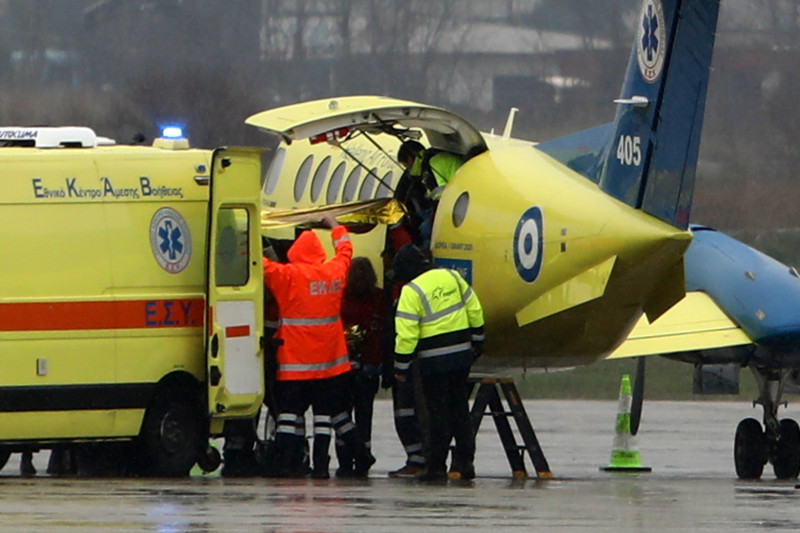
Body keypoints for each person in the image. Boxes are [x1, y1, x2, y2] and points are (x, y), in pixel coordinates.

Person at [263, 215, 374, 479]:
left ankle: (287, 462)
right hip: (330, 362)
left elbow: (260, 265)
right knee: (325, 415)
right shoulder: (334, 272)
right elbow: (346, 250)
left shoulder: (287, 275)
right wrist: (335, 226)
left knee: (289, 416)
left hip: (295, 363)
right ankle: (325, 464)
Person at [392, 244, 485, 481]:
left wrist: (400, 366)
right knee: (460, 410)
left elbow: (407, 334)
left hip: (433, 361)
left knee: (437, 414)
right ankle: (465, 462)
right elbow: (474, 308)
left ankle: (436, 467)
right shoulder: (451, 276)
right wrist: (477, 340)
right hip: (462, 356)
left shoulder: (411, 291)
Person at [335, 257, 387, 477]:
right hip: (370, 367)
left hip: (342, 367)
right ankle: (363, 456)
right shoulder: (379, 298)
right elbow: (385, 333)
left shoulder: (341, 299)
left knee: (341, 414)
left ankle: (345, 460)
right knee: (364, 416)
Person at [396, 141, 463, 247]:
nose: (409, 171)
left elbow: (440, 198)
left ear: (410, 159)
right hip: (462, 199)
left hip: (460, 204)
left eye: (407, 166)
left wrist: (431, 221)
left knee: (425, 231)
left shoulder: (432, 166)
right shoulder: (432, 160)